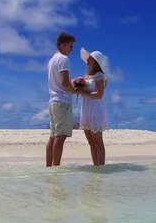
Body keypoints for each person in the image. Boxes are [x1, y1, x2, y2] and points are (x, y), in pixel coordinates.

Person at [46, 32, 85, 167]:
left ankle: (49, 167)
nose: (71, 50)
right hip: (62, 101)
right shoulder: (63, 59)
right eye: (71, 46)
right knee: (60, 136)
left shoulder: (52, 60)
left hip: (52, 101)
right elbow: (65, 83)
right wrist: (77, 91)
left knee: (53, 136)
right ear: (63, 45)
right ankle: (56, 168)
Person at [78, 48, 110, 166]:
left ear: (95, 61)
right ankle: (95, 166)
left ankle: (101, 167)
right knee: (91, 142)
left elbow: (99, 94)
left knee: (97, 141)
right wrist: (80, 90)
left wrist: (84, 92)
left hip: (95, 109)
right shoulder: (87, 76)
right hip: (86, 109)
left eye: (90, 59)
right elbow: (87, 93)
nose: (87, 61)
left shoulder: (99, 75)